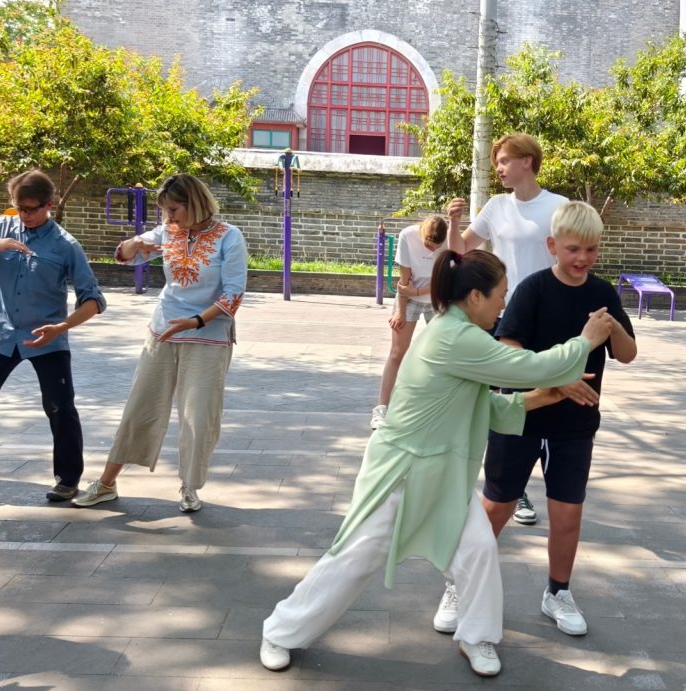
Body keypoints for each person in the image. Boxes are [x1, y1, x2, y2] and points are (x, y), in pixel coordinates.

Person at [260, 250, 614, 678]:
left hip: (443, 475)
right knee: (354, 559)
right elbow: (528, 365)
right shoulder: (454, 337)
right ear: (476, 296)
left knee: (479, 549)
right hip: (402, 473)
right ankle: (280, 630)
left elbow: (488, 409)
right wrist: (586, 341)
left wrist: (547, 395)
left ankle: (476, 636)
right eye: (500, 295)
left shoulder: (463, 335)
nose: (504, 304)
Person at [436, 201, 636, 639]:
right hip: (520, 415)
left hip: (576, 425)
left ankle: (558, 593)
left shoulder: (603, 293)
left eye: (591, 250)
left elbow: (626, 354)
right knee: (495, 509)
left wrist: (612, 326)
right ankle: (459, 586)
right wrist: (558, 381)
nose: (582, 258)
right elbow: (507, 351)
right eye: (573, 249)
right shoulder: (532, 289)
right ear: (552, 246)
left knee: (567, 515)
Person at [72, 174, 247, 513]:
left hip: (208, 336)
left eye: (174, 209)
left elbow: (234, 292)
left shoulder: (229, 237)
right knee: (140, 405)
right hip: (163, 330)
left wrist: (197, 320)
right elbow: (124, 255)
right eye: (165, 210)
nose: (169, 216)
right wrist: (134, 244)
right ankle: (107, 482)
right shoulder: (167, 231)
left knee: (199, 415)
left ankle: (190, 485)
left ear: (194, 203)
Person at [0, 170, 106, 500]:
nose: (25, 215)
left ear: (49, 205)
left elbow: (93, 299)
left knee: (61, 409)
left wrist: (62, 328)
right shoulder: (1, 227)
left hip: (46, 337)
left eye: (32, 209)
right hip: (0, 335)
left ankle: (67, 479)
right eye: (19, 208)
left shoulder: (66, 245)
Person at [446, 133, 568, 526]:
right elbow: (460, 251)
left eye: (504, 160)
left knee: (546, 400)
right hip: (504, 318)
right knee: (506, 402)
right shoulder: (496, 206)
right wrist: (453, 222)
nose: (498, 167)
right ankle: (511, 491)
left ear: (528, 162)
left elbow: (573, 256)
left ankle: (549, 484)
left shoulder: (559, 206)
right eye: (497, 160)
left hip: (548, 318)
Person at [370, 215, 447, 429]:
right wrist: (401, 312)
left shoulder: (450, 240)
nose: (432, 251)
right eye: (428, 245)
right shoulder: (407, 236)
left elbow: (445, 280)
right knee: (397, 352)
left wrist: (419, 290)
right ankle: (381, 409)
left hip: (437, 297)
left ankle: (433, 410)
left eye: (436, 247)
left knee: (438, 354)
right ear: (421, 232)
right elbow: (404, 282)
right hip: (409, 298)